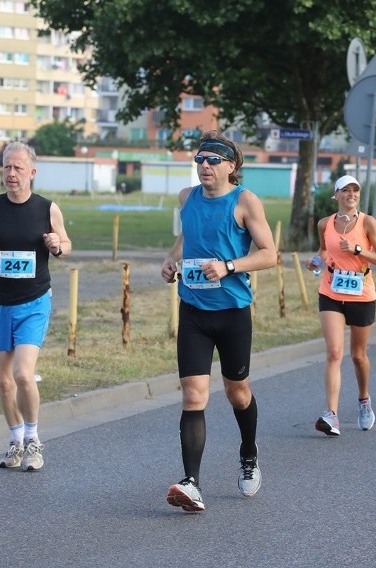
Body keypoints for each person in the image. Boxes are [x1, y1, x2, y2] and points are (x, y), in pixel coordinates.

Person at [160, 131, 276, 512]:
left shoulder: (244, 202)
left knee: (237, 392)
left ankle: (248, 451)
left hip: (231, 313)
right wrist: (171, 258)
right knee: (194, 394)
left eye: (213, 160)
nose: (204, 166)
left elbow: (269, 254)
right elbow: (187, 236)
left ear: (231, 166)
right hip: (193, 310)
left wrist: (228, 266)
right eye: (199, 160)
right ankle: (191, 482)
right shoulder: (186, 198)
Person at [0, 141, 72, 472]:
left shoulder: (47, 209)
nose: (11, 174)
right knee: (3, 381)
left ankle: (34, 440)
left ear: (32, 172)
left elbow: (66, 245)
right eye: (6, 167)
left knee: (23, 373)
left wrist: (57, 244)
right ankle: (15, 441)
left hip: (34, 300)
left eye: (17, 168)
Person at [306, 174, 376, 436]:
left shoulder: (367, 223)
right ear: (336, 195)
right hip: (331, 291)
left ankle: (364, 400)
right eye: (345, 190)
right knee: (334, 352)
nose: (351, 194)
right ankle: (331, 415)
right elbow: (324, 250)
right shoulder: (325, 223)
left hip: (362, 293)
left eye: (355, 190)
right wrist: (316, 262)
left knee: (358, 355)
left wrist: (358, 250)